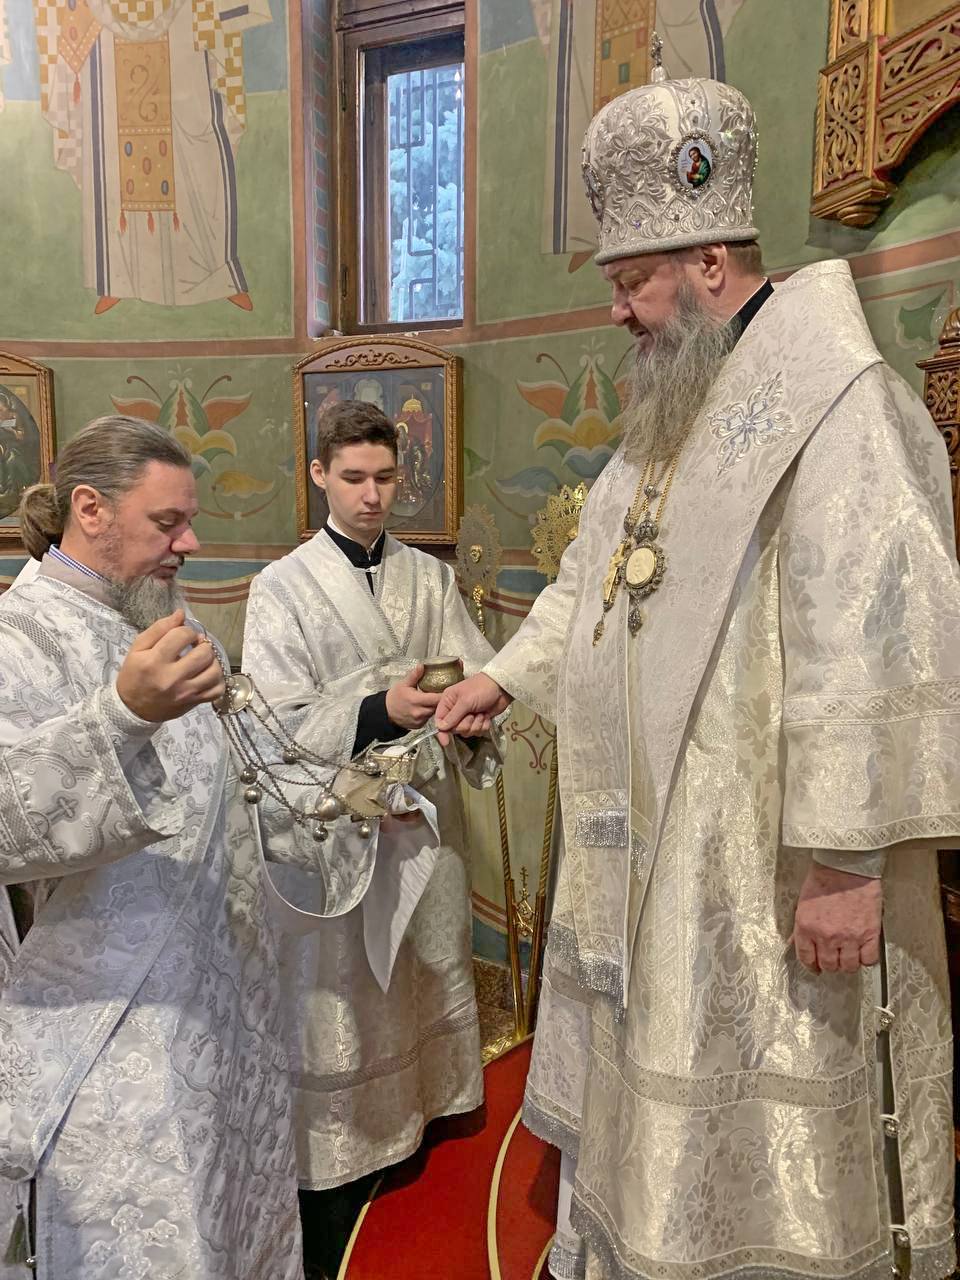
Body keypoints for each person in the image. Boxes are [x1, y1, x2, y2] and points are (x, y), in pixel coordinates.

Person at [437, 68, 960, 1280]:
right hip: (653, 858)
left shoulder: (840, 406)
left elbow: (883, 631)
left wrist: (848, 859)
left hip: (768, 865)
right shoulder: (671, 412)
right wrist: (504, 677)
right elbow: (595, 579)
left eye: (632, 282)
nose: (617, 311)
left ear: (709, 262)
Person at [0, 415, 373, 1278]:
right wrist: (121, 716)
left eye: (189, 521)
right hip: (114, 1029)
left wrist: (351, 798)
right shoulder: (19, 637)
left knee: (233, 1221)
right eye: (167, 522)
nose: (190, 543)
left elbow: (240, 769)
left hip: (224, 997)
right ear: (89, 509)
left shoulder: (165, 616)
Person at [241, 402, 500, 1236]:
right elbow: (273, 722)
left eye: (385, 477)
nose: (371, 495)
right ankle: (349, 1154)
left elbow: (474, 668)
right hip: (339, 827)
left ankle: (432, 1111)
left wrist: (472, 711)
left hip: (427, 812)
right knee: (350, 986)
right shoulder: (281, 587)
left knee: (429, 956)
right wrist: (380, 708)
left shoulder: (430, 577)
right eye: (353, 477)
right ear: (319, 475)